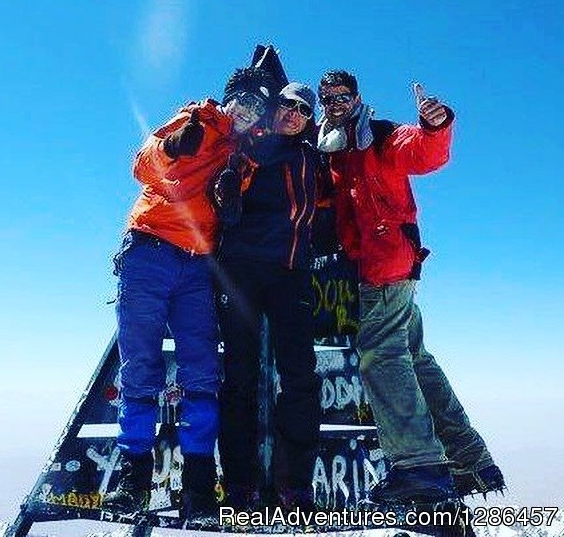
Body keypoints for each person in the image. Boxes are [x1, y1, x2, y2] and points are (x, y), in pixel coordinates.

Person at [317, 70, 505, 504]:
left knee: (380, 358)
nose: (334, 104)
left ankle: (419, 467)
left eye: (341, 96)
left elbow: (423, 153)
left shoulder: (379, 137)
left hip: (383, 267)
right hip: (385, 267)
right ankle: (468, 459)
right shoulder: (333, 148)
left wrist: (435, 125)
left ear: (357, 98)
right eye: (328, 98)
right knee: (415, 358)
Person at [104, 66, 279, 520]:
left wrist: (235, 192)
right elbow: (142, 166)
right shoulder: (195, 121)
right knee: (140, 363)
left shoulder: (245, 152)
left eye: (257, 105)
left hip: (199, 263)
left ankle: (199, 482)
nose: (247, 109)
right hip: (150, 249)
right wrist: (169, 148)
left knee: (201, 368)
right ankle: (133, 476)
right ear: (229, 98)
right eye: (243, 99)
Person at [212, 82, 323, 512]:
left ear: (309, 119)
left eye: (303, 109)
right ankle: (240, 485)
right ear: (274, 109)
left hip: (291, 273)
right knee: (239, 375)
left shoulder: (314, 159)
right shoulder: (248, 149)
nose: (293, 113)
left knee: (300, 377)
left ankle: (295, 485)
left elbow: (331, 207)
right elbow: (222, 190)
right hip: (242, 270)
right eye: (287, 105)